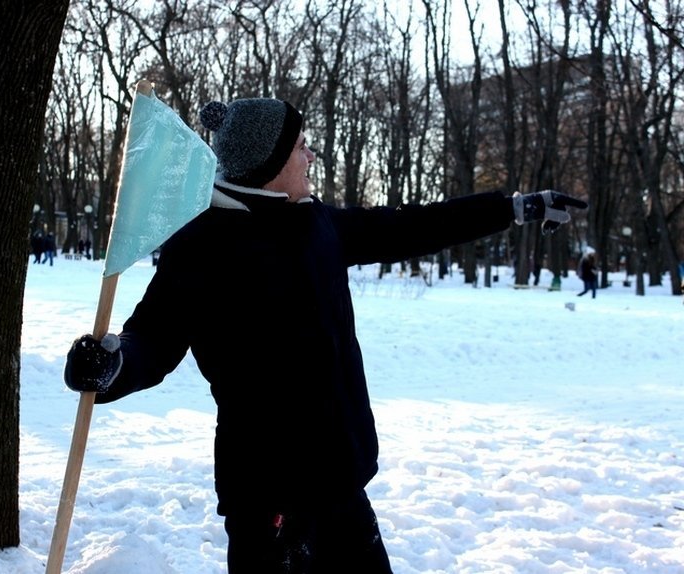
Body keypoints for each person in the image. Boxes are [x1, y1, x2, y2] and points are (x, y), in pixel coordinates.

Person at [63, 97, 587, 573]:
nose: (311, 156)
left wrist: (513, 207)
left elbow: (410, 226)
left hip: (341, 482)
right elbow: (152, 341)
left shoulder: (316, 224)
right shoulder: (203, 246)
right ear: (269, 165)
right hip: (268, 500)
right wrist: (112, 365)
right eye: (300, 148)